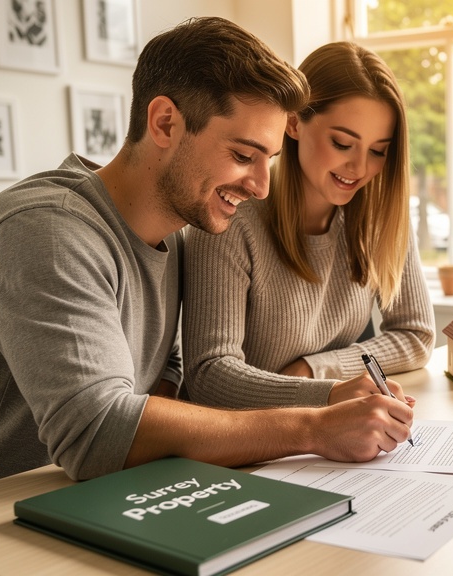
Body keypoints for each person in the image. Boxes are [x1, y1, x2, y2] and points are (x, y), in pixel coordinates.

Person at [0, 18, 413, 496]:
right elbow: (97, 430)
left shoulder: (176, 235)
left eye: (267, 161)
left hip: (101, 497)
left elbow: (173, 372)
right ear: (165, 122)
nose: (261, 187)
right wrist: (313, 427)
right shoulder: (45, 232)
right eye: (243, 155)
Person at [181, 41, 434, 410]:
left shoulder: (379, 217)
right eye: (343, 143)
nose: (360, 168)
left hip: (322, 433)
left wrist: (313, 370)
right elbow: (208, 375)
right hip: (239, 440)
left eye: (378, 150)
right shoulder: (232, 217)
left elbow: (416, 335)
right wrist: (326, 392)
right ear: (294, 122)